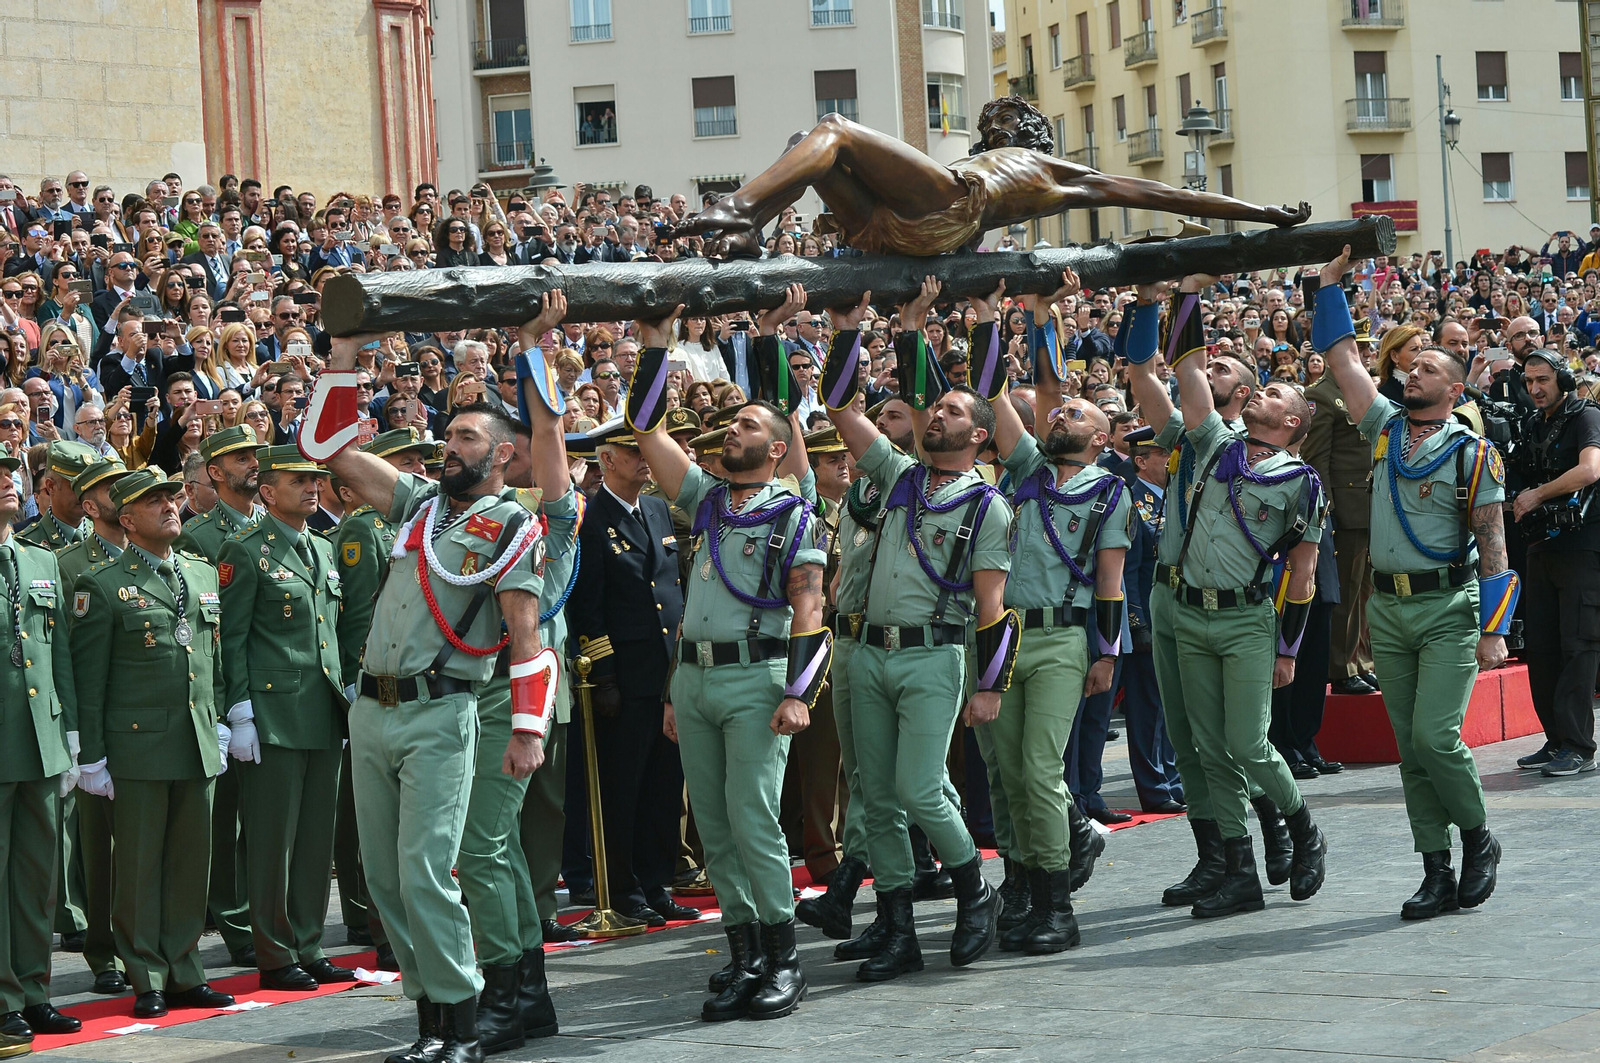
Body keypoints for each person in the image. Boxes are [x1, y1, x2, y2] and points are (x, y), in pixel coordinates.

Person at [304, 332, 557, 1063]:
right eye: (447, 433)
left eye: (467, 435)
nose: (449, 445)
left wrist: (529, 729)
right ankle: (431, 1017)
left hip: (442, 710)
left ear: (502, 453)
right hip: (374, 709)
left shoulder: (512, 524)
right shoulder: (418, 504)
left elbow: (525, 632)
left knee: (425, 868)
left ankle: (463, 1023)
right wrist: (344, 357)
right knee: (385, 876)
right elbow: (332, 452)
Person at [627, 304, 825, 1023]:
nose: (731, 430)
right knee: (713, 822)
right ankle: (743, 953)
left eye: (748, 425)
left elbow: (809, 606)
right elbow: (647, 431)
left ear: (776, 450)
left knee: (753, 818)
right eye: (731, 421)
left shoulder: (792, 515)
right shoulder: (709, 502)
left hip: (758, 676)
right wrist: (654, 345)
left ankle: (783, 957)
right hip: (700, 676)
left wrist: (800, 689)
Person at [1314, 244, 1511, 918]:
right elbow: (1342, 360)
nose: (1413, 368)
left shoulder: (1472, 451)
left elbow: (1494, 547)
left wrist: (1496, 629)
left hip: (1448, 608)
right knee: (1410, 749)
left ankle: (1479, 836)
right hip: (1388, 611)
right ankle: (1435, 866)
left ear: (1454, 389)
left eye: (1428, 366)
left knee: (1436, 736)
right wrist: (1329, 285)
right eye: (1411, 362)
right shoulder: (1386, 429)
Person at [819, 288, 1009, 980]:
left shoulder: (988, 507)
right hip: (869, 652)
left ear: (978, 435)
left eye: (955, 411)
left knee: (922, 788)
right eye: (938, 407)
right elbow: (842, 410)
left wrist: (988, 685)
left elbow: (992, 608)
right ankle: (896, 925)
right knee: (881, 789)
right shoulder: (899, 475)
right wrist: (850, 329)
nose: (939, 415)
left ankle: (972, 892)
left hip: (933, 655)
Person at [1125, 274, 1328, 919]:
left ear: (1292, 420)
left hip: (1245, 621)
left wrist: (1289, 648)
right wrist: (1187, 297)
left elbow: (1303, 573)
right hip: (1189, 612)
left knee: (1248, 744)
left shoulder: (1302, 483)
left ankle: (1301, 827)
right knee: (1208, 749)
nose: (1258, 395)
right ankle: (1237, 869)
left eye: (1270, 391)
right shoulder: (1214, 442)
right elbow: (1184, 372)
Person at [978, 274, 1129, 955]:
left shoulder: (1111, 493)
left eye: (1079, 415)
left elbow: (1110, 584)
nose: (1062, 415)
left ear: (1102, 438)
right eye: (1058, 412)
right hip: (1004, 637)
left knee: (1039, 769)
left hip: (1065, 638)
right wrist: (1029, 315)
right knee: (1006, 773)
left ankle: (1055, 900)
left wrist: (1106, 652)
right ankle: (1020, 884)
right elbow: (1006, 393)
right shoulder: (1029, 471)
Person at [677, 97, 1309, 259]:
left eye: (1006, 116)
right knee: (809, 145)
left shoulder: (1063, 172)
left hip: (952, 212)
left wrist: (1266, 215)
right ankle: (747, 230)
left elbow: (1171, 194)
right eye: (990, 119)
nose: (994, 122)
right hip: (887, 225)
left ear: (1032, 133)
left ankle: (737, 207)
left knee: (836, 127)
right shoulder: (977, 156)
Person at [70, 466, 236, 1018]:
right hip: (136, 747)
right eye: (154, 500)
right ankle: (147, 975)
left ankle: (186, 969)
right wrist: (91, 755)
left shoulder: (201, 573)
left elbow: (211, 657)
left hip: (195, 741)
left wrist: (221, 717)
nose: (170, 505)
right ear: (128, 519)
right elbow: (91, 681)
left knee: (192, 864)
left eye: (172, 495)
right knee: (139, 868)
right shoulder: (104, 583)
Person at [454, 300, 575, 1055]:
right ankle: (529, 995)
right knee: (497, 850)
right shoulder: (469, 512)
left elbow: (553, 433)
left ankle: (507, 992)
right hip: (469, 694)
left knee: (483, 847)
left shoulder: (548, 520)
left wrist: (534, 349)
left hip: (513, 696)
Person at [216, 446, 353, 992]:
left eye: (316, 479)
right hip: (271, 714)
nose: (312, 487)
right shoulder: (246, 550)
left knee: (317, 838)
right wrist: (240, 709)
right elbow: (232, 634)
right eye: (298, 480)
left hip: (320, 710)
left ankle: (309, 941)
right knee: (275, 841)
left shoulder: (320, 545)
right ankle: (274, 953)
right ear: (268, 492)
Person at [566, 417, 695, 927]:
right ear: (606, 460)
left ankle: (657, 879)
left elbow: (674, 589)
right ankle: (622, 888)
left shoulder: (660, 510)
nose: (644, 456)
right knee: (624, 788)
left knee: (664, 786)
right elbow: (588, 608)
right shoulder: (590, 521)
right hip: (625, 674)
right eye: (631, 449)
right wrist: (606, 678)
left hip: (666, 675)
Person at [0, 441, 84, 1043]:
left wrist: (71, 733)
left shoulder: (38, 561)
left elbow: (59, 657)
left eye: (12, 470)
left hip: (40, 737)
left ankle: (33, 989)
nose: (9, 479)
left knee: (36, 874)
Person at [170, 423, 262, 965]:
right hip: (226, 696)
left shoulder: (267, 527)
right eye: (239, 457)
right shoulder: (199, 538)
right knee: (225, 818)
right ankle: (234, 920)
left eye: (255, 455)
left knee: (264, 819)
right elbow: (212, 633)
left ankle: (266, 914)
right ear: (214, 473)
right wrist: (229, 705)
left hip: (269, 689)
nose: (252, 464)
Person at [53, 456, 133, 997]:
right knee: (100, 850)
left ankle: (152, 948)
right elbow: (68, 659)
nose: (123, 493)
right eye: (109, 489)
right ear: (88, 505)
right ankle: (105, 953)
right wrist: (81, 743)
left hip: (154, 720)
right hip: (99, 726)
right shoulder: (66, 564)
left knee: (150, 847)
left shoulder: (163, 552)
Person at [1509, 351, 1600, 777]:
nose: (1535, 389)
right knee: (1541, 647)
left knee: (1578, 645)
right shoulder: (1533, 423)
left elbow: (1589, 470)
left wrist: (1538, 494)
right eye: (1529, 382)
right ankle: (1556, 739)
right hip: (1541, 544)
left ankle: (1579, 745)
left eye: (1542, 380)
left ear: (1562, 378)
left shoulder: (1587, 417)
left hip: (1583, 546)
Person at [1304, 341, 1380, 697]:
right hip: (1344, 509)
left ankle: (1362, 660)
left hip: (1368, 505)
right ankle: (1341, 666)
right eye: (1355, 347)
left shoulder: (1363, 388)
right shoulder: (1322, 395)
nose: (1362, 354)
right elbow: (1316, 458)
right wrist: (1326, 510)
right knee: (1345, 593)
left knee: (1364, 590)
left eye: (1365, 348)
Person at [1120, 432, 1187, 811]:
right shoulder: (1133, 501)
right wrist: (1136, 622)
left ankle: (1174, 778)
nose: (1169, 460)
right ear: (1141, 461)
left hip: (1178, 613)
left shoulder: (1175, 498)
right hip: (1147, 616)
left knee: (1171, 703)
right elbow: (1129, 571)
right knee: (1148, 707)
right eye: (1163, 454)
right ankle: (1155, 787)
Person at [17, 440, 95, 550]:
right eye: (75, 486)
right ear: (51, 487)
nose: (84, 494)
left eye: (90, 486)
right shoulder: (27, 545)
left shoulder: (105, 534)